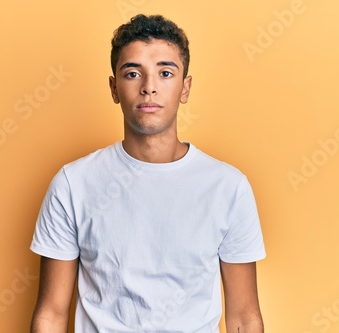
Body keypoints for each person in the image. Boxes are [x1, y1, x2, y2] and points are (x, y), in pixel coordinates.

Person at [30, 14, 266, 333]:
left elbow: (244, 316)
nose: (149, 88)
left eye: (165, 73)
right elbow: (52, 314)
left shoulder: (228, 187)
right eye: (132, 73)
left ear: (185, 87)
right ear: (114, 88)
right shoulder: (73, 184)